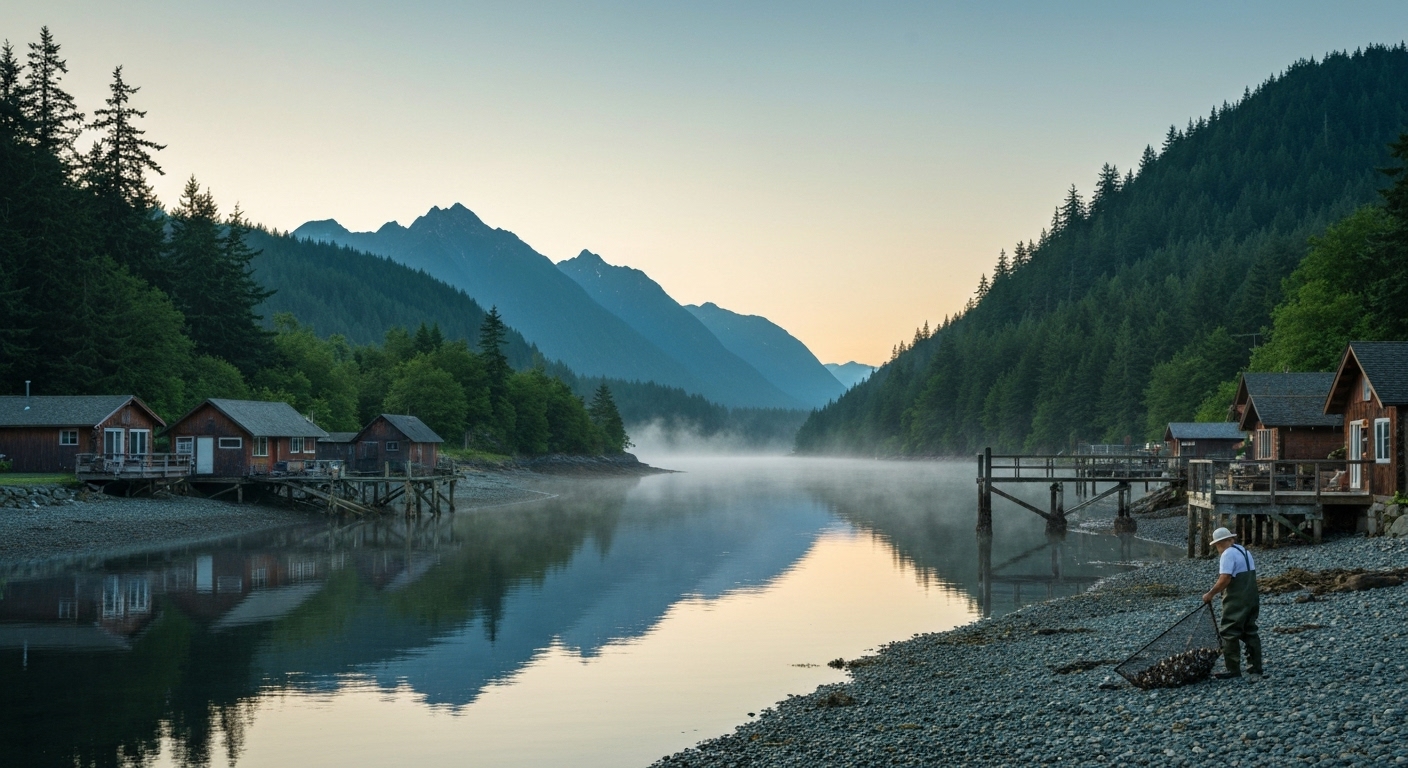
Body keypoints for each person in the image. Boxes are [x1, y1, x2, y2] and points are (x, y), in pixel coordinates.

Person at [1202, 526, 1263, 681]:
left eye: (1218, 545)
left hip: (1237, 599)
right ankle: (1255, 667)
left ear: (1222, 542)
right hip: (1252, 597)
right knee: (1250, 630)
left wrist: (1210, 594)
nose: (1218, 548)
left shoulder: (1228, 554)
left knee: (1229, 631)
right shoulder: (1244, 551)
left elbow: (1225, 579)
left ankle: (1233, 669)